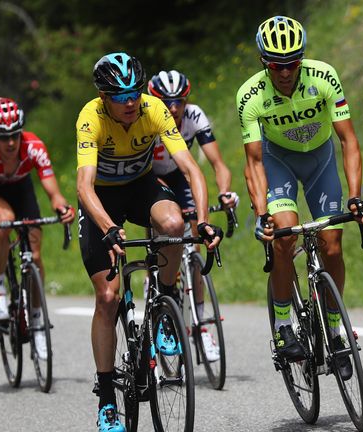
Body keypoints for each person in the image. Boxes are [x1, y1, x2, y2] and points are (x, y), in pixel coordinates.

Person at [76, 52, 220, 431]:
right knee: (107, 298)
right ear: (104, 96)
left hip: (140, 188)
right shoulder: (90, 117)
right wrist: (108, 226)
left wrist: (202, 222)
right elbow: (83, 185)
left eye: (134, 93)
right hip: (101, 199)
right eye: (119, 96)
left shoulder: (153, 108)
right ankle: (107, 398)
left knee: (173, 224)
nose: (129, 102)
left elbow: (191, 170)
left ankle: (167, 305)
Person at [237, 16, 363, 379]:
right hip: (276, 160)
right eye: (276, 65)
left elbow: (349, 141)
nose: (284, 72)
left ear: (302, 59)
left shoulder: (324, 76)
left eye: (292, 64)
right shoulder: (250, 95)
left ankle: (334, 328)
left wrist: (356, 197)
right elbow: (253, 163)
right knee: (284, 236)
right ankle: (283, 326)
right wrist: (261, 213)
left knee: (332, 245)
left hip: (320, 160)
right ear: (263, 62)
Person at [0, 97, 74, 360]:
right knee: (5, 218)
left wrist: (62, 208)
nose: (11, 143)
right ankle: (0, 289)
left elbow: (53, 192)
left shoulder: (34, 146)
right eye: (3, 138)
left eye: (15, 135)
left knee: (35, 257)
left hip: (22, 189)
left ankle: (37, 321)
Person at [148, 70, 239, 361]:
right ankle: (160, 297)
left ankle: (200, 327)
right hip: (149, 178)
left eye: (180, 101)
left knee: (196, 241)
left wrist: (224, 192)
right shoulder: (146, 118)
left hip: (179, 174)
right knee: (162, 238)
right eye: (167, 102)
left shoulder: (194, 115)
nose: (174, 108)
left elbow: (218, 163)